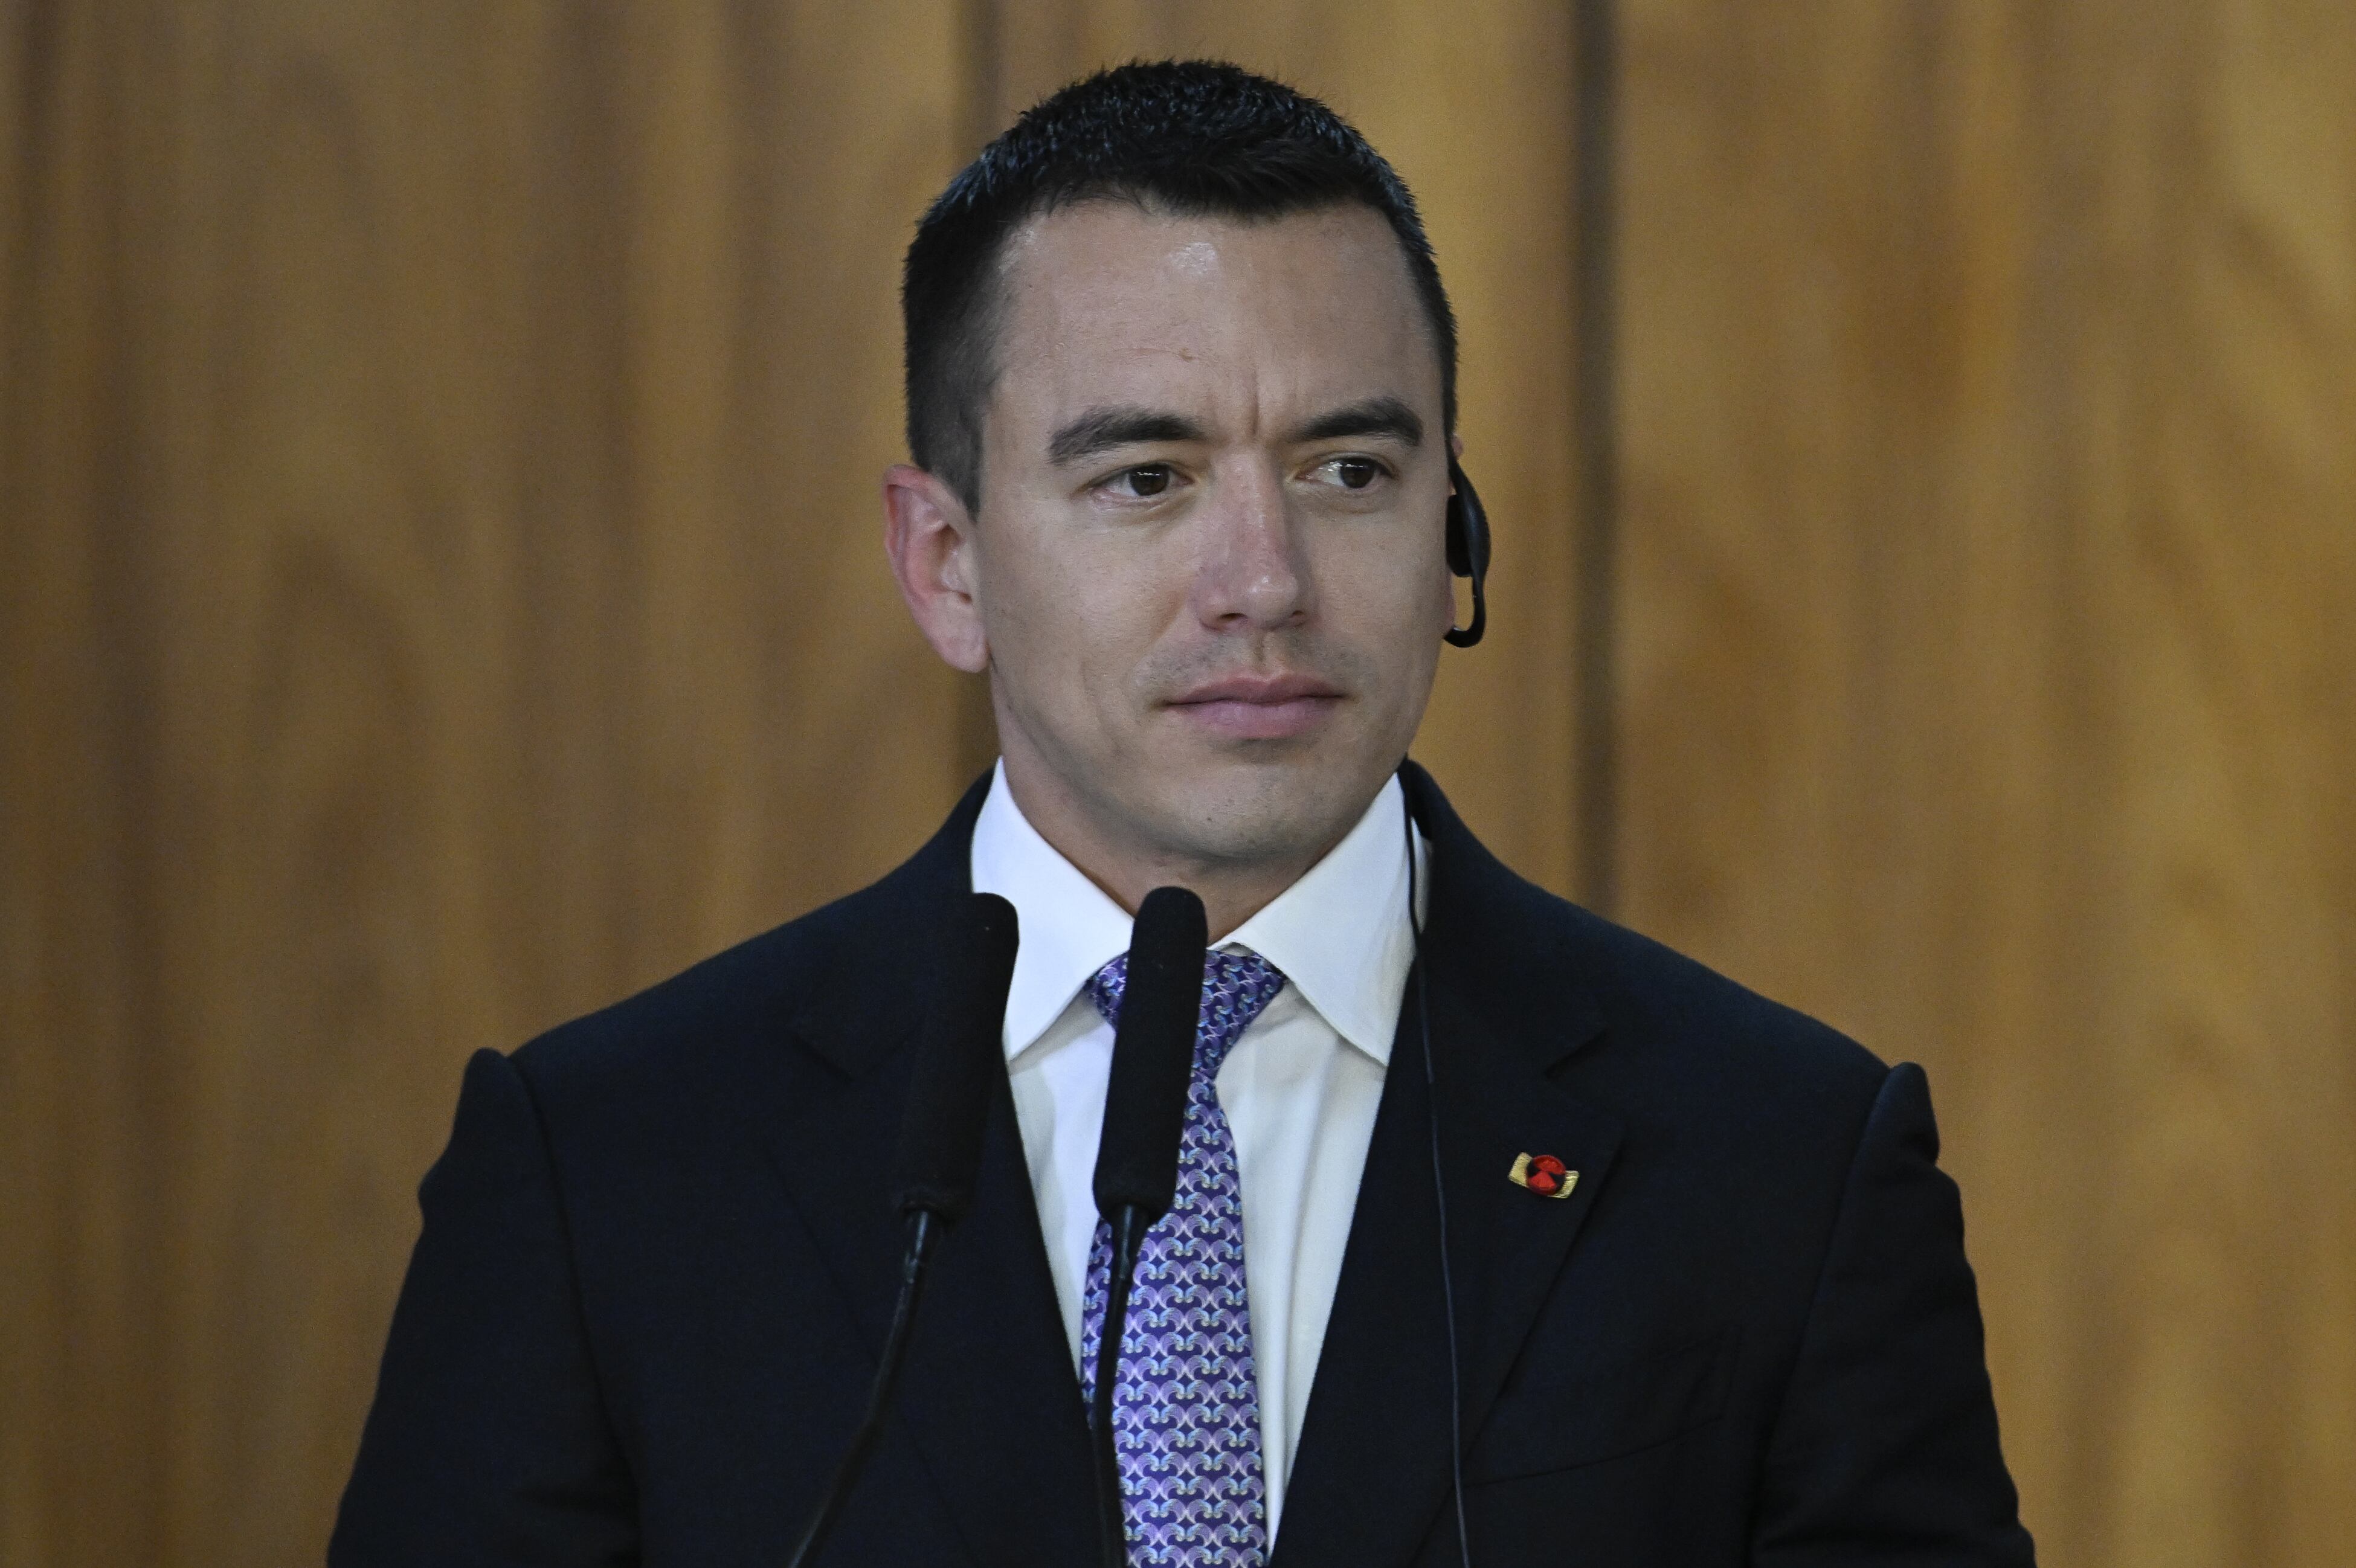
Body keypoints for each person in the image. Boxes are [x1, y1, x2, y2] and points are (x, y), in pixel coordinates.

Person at [333, 60, 2034, 1567]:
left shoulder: (1779, 1164)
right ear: (947, 565)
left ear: (1454, 521)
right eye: (1145, 478)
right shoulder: (612, 1167)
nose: (1264, 581)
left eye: (1348, 472)